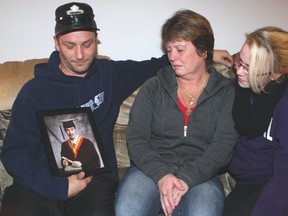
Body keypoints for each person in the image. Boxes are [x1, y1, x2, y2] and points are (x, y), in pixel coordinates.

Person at [0, 2, 232, 216]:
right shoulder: (34, 91)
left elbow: (157, 64)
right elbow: (14, 152)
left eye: (87, 44)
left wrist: (207, 55)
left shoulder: (110, 75)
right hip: (42, 183)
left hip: (94, 182)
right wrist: (57, 186)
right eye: (70, 45)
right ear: (56, 42)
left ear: (96, 40)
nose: (79, 54)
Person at [115, 10, 238, 216]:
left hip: (202, 174)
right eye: (169, 49)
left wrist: (186, 179)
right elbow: (136, 138)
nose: (172, 57)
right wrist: (162, 175)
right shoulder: (154, 87)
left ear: (203, 51)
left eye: (180, 49)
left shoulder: (226, 92)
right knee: (128, 210)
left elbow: (222, 147)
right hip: (150, 170)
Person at [224, 27, 288, 216]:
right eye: (239, 62)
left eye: (248, 68)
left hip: (272, 180)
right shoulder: (239, 90)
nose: (239, 71)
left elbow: (284, 175)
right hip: (247, 181)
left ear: (275, 75)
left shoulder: (283, 105)